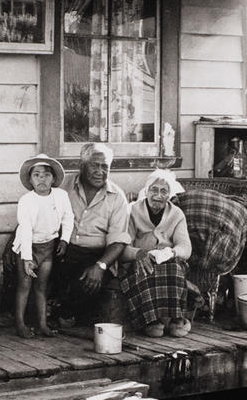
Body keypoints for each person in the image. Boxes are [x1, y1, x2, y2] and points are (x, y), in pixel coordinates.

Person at [54, 142, 131, 327]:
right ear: (82, 165)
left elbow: (118, 241)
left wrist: (101, 266)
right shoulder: (64, 186)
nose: (100, 171)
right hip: (62, 248)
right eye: (94, 165)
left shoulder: (117, 197)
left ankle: (63, 312)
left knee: (89, 282)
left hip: (95, 255)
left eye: (105, 166)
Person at [119, 169, 193, 337]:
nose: (158, 195)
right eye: (154, 189)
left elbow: (186, 248)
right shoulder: (132, 211)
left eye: (163, 191)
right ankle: (150, 321)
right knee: (144, 268)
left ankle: (177, 319)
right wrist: (139, 253)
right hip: (139, 258)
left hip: (167, 259)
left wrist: (171, 252)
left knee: (174, 267)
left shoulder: (176, 214)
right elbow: (123, 248)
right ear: (146, 191)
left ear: (169, 195)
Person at [12, 154, 74, 338]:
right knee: (24, 285)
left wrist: (65, 239)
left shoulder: (61, 196)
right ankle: (20, 324)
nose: (42, 178)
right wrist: (27, 258)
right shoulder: (27, 200)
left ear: (53, 178)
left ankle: (42, 325)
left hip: (47, 249)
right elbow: (25, 229)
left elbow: (68, 217)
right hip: (27, 246)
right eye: (36, 175)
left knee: (41, 286)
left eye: (46, 174)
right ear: (30, 180)